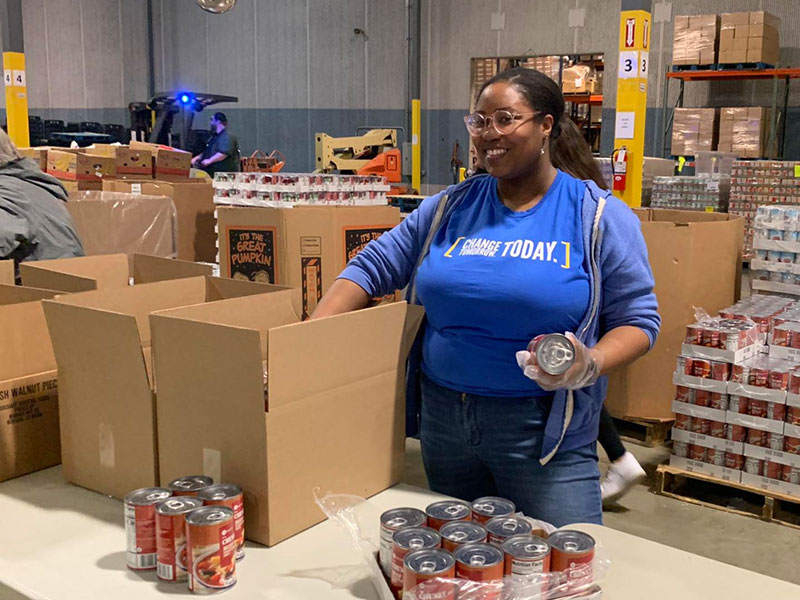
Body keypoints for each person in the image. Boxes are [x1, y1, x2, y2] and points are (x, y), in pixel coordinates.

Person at [311, 67, 660, 526]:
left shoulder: (596, 215)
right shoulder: (452, 206)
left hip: (542, 436)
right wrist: (306, 345)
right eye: (479, 121)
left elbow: (639, 320)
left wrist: (589, 363)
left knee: (563, 573)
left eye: (505, 119)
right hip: (444, 424)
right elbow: (370, 267)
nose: (488, 134)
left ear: (546, 126)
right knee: (461, 568)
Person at [550, 116, 647, 503]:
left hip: (576, 337)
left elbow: (639, 314)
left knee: (578, 390)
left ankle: (617, 459)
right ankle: (621, 458)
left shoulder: (590, 211)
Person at [0, 129, 84, 277]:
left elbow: (4, 237)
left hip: (40, 288)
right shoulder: (32, 184)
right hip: (72, 280)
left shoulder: (6, 191)